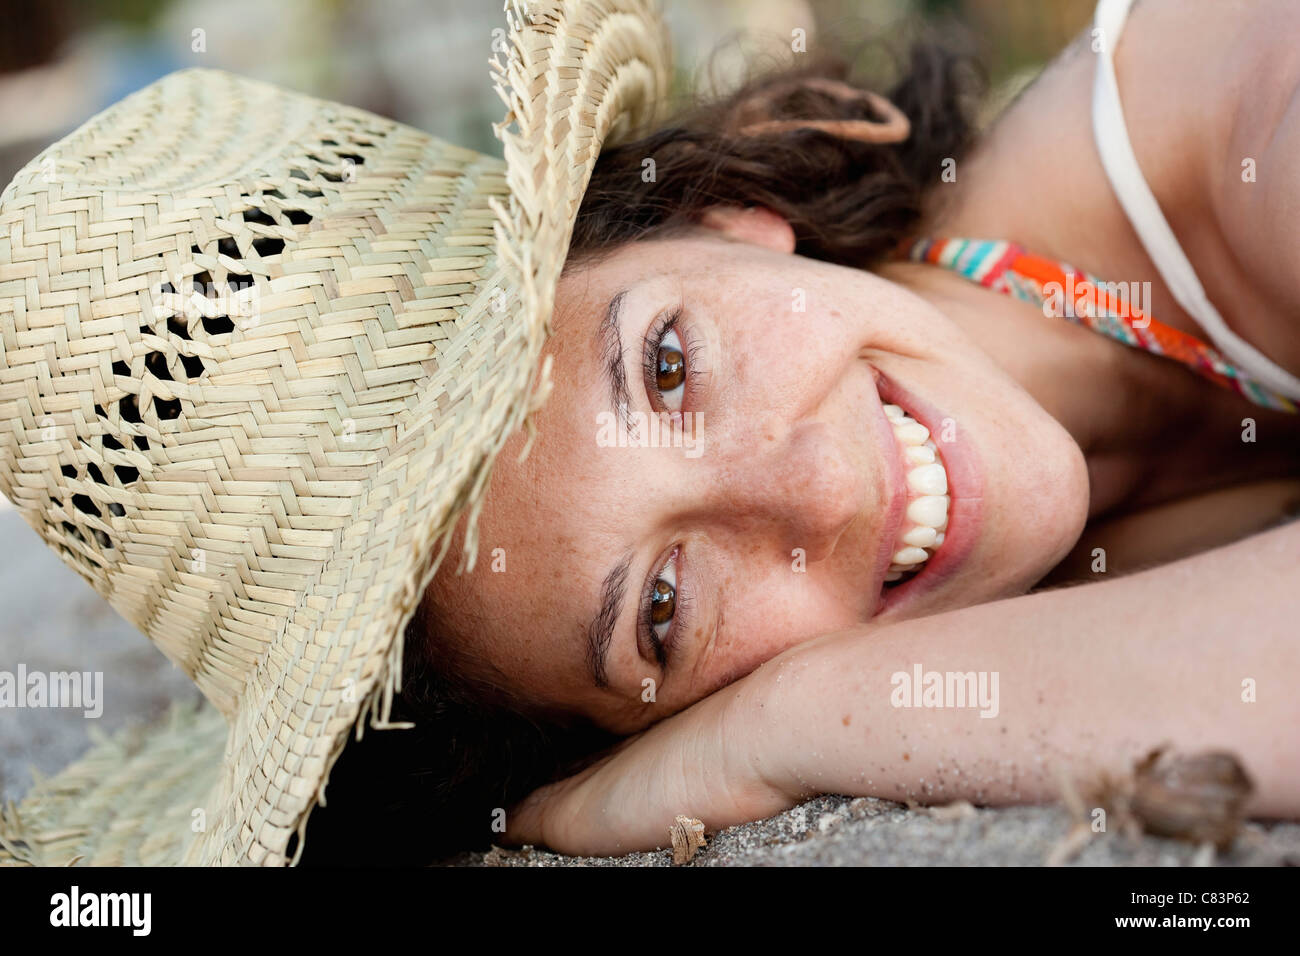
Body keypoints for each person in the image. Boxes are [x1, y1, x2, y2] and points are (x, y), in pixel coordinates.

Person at [302, 0, 1300, 861]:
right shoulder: (1082, 543)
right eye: (661, 605)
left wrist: (786, 724)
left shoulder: (1255, 106)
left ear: (727, 219)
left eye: (667, 366)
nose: (821, 488)